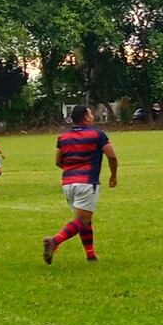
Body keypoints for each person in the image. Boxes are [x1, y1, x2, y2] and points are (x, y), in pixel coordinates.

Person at [41, 105, 118, 264]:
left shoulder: (63, 137)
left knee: (85, 220)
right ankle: (54, 241)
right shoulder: (97, 134)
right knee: (82, 221)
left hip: (68, 184)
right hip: (87, 183)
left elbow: (57, 161)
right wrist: (113, 176)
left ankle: (90, 256)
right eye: (90, 114)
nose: (93, 116)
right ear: (86, 117)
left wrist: (71, 171)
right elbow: (112, 156)